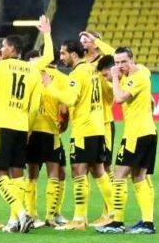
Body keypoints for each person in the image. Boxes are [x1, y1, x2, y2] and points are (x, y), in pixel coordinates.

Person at [48, 40, 115, 231]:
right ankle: (113, 213)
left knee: (78, 171)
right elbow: (108, 96)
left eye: (63, 53)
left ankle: (79, 219)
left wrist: (50, 86)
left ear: (74, 55)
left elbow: (69, 99)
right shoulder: (94, 70)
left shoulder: (76, 74)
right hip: (98, 128)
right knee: (98, 171)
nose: (61, 57)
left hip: (83, 130)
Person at [0, 32, 44, 233]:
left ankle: (22, 214)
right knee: (17, 172)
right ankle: (15, 220)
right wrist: (28, 128)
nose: (1, 50)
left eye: (5, 47)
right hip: (22, 127)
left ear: (12, 49)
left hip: (2, 124)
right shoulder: (33, 71)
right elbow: (34, 107)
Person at [97, 47, 157, 235]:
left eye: (123, 62)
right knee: (139, 177)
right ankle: (147, 223)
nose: (120, 66)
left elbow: (120, 98)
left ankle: (118, 221)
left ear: (132, 60)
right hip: (147, 132)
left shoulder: (136, 77)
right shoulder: (144, 71)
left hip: (136, 135)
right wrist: (98, 41)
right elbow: (152, 103)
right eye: (117, 63)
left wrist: (114, 78)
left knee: (119, 175)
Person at [26, 47, 70, 228]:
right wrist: (63, 127)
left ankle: (31, 215)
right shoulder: (62, 78)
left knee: (31, 174)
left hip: (30, 129)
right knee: (56, 173)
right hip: (51, 131)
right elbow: (65, 110)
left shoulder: (31, 73)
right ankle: (52, 216)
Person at [80, 30, 118, 226]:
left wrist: (98, 41)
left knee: (105, 167)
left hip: (104, 121)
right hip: (87, 124)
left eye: (87, 40)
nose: (83, 42)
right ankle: (83, 215)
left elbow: (115, 54)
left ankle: (109, 212)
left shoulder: (105, 64)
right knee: (85, 169)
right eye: (82, 40)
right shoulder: (81, 65)